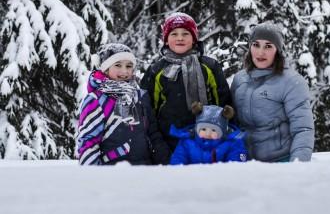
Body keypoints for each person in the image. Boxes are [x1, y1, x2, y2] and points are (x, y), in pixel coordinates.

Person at [140, 12, 231, 151]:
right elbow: (148, 112)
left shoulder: (210, 66)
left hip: (208, 140)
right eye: (174, 34)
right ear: (166, 39)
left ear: (194, 38)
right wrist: (158, 146)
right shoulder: (156, 70)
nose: (180, 38)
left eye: (185, 33)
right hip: (170, 142)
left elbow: (223, 103)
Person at [231, 22, 315, 162]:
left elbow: (303, 129)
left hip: (280, 162)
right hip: (245, 163)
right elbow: (233, 124)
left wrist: (298, 167)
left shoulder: (291, 82)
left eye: (268, 46)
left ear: (278, 50)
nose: (260, 52)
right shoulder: (240, 79)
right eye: (256, 45)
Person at [77, 43, 171, 165]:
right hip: (112, 173)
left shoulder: (140, 97)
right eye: (118, 65)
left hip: (145, 171)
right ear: (106, 68)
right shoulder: (96, 99)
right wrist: (95, 177)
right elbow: (89, 142)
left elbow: (152, 134)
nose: (124, 71)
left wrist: (166, 162)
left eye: (129, 66)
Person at [170, 102, 248, 165]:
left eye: (214, 130)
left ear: (223, 131)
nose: (208, 133)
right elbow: (178, 161)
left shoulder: (233, 143)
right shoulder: (187, 142)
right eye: (203, 129)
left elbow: (236, 165)